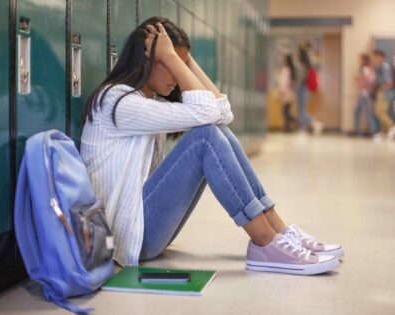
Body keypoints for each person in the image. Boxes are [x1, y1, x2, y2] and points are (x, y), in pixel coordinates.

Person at [81, 17, 343, 276]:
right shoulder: (117, 102)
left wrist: (182, 57)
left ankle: (278, 232)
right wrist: (173, 58)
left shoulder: (149, 101)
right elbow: (206, 112)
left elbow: (222, 113)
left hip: (142, 227)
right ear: (147, 60)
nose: (177, 76)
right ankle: (264, 242)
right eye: (171, 65)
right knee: (205, 137)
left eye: (181, 66)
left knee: (217, 131)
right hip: (125, 237)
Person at [372, 50, 395, 140]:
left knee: (381, 111)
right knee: (378, 112)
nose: (374, 59)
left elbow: (389, 83)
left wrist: (381, 90)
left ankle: (393, 126)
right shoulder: (378, 67)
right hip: (381, 91)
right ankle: (384, 132)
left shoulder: (385, 67)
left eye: (376, 57)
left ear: (381, 57)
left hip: (385, 92)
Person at [296, 46, 323, 134]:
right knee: (301, 110)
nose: (296, 55)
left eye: (297, 53)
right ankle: (302, 127)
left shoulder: (303, 66)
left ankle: (314, 122)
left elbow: (302, 79)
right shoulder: (306, 65)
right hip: (304, 89)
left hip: (302, 89)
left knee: (302, 111)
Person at [353, 54, 376, 136]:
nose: (358, 61)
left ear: (364, 60)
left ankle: (373, 132)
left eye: (360, 60)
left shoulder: (365, 69)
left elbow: (369, 80)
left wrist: (359, 78)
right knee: (356, 112)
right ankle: (357, 131)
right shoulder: (367, 69)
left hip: (365, 94)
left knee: (367, 113)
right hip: (363, 94)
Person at [278, 54, 298, 132]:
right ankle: (287, 127)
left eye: (285, 59)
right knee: (285, 111)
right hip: (286, 92)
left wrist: (283, 91)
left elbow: (285, 82)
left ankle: (295, 121)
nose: (283, 61)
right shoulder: (287, 69)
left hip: (287, 93)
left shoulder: (287, 70)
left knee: (285, 111)